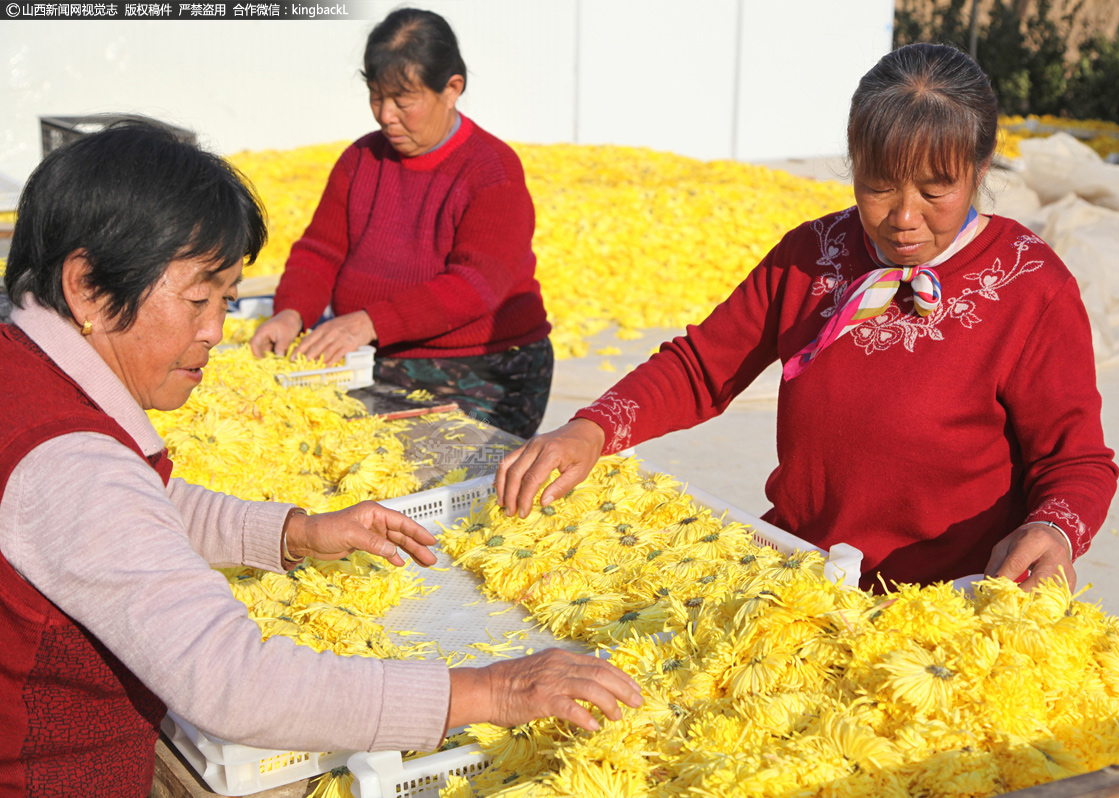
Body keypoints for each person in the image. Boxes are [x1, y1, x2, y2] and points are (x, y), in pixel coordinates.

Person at [0, 123, 640, 798]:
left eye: (226, 300)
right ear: (89, 290)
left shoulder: (28, 375)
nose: (216, 331)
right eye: (198, 300)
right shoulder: (69, 460)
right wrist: (493, 690)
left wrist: (293, 533)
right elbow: (234, 682)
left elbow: (134, 508)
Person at [495, 43, 1119, 593]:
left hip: (949, 605)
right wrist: (593, 430)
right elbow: (701, 367)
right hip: (800, 577)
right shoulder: (812, 257)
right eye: (878, 187)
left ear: (981, 170)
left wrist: (1054, 529)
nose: (904, 218)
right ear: (852, 163)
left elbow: (1074, 460)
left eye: (935, 191)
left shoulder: (1027, 284)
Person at [250, 7, 552, 439]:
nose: (385, 115)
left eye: (402, 101)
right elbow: (321, 251)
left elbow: (474, 286)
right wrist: (291, 313)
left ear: (451, 89)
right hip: (382, 357)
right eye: (376, 96)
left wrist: (369, 322)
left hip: (485, 368)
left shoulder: (492, 172)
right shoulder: (361, 159)